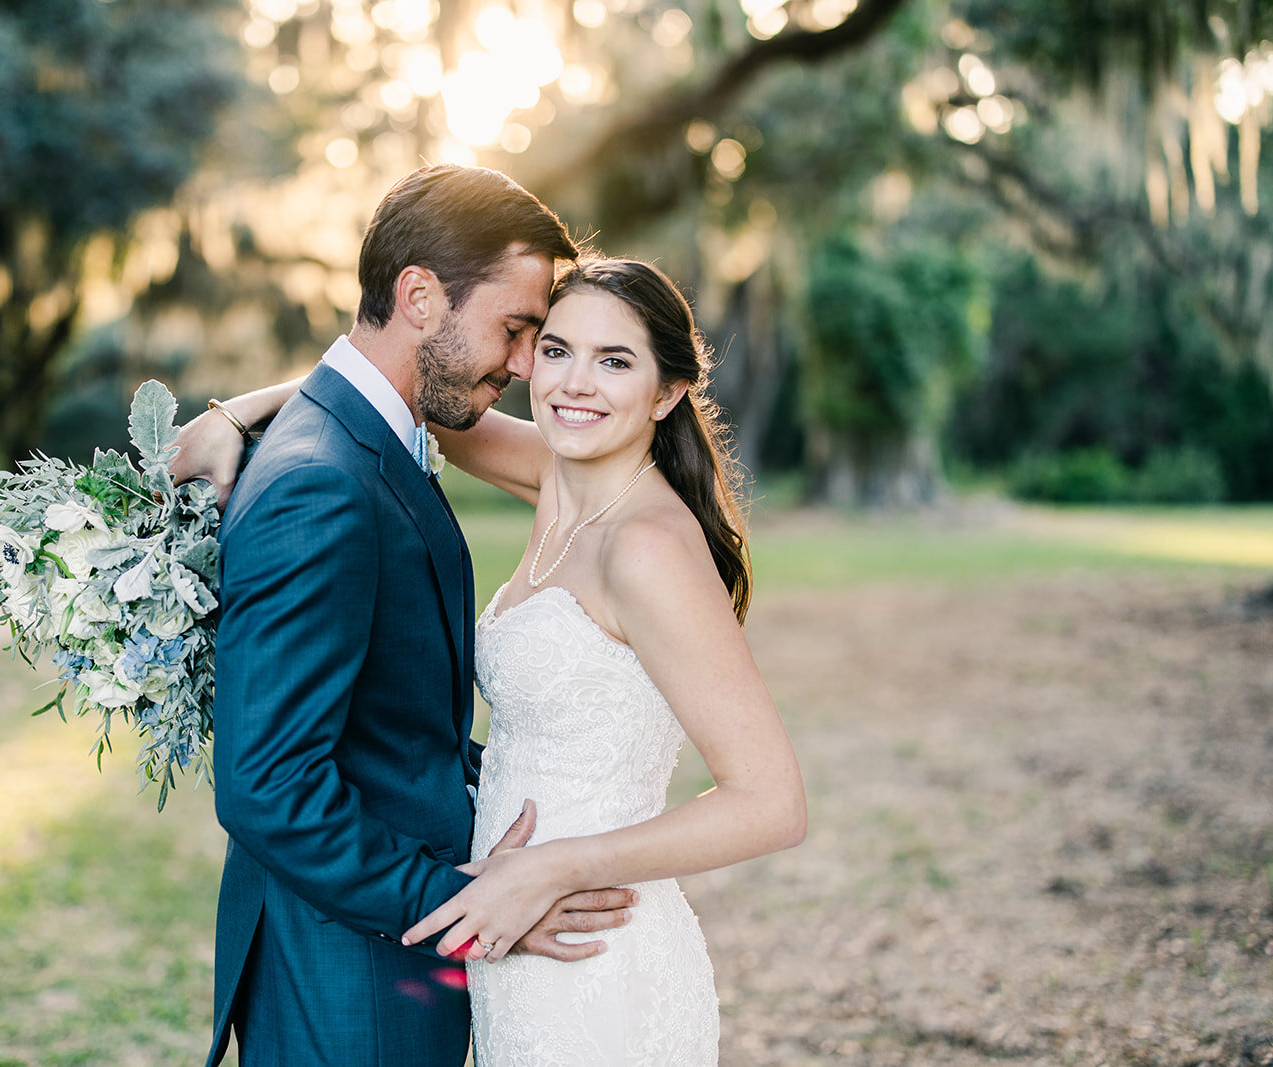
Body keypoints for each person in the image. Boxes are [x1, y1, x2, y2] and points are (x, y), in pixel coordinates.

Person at [190, 256, 808, 1064]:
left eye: (614, 361)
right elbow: (378, 396)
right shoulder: (560, 474)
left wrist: (551, 870)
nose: (573, 384)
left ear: (666, 392)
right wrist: (238, 412)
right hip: (512, 942)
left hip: (592, 944)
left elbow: (772, 802)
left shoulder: (648, 547)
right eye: (554, 349)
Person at [174, 165, 638, 1067]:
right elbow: (266, 786)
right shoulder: (321, 478)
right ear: (419, 295)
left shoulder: (369, 435)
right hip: (352, 979)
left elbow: (388, 723)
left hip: (366, 961)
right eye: (515, 331)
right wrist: (467, 900)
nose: (520, 365)